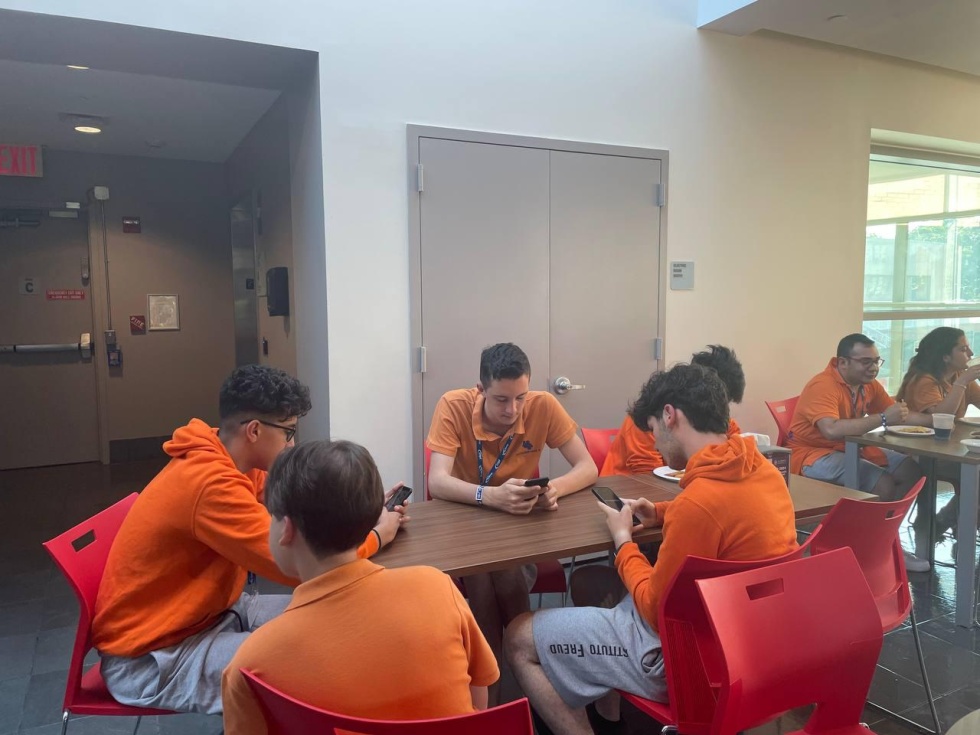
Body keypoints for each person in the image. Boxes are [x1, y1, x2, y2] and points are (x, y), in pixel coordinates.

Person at [92, 365, 406, 714]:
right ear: (255, 431)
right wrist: (376, 537)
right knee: (319, 658)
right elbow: (301, 565)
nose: (292, 444)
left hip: (210, 615)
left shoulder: (232, 458)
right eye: (288, 432)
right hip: (152, 657)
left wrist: (362, 514)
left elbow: (298, 511)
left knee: (340, 619)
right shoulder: (209, 484)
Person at [504, 363, 798, 735]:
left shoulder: (698, 504)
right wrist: (661, 512)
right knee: (592, 586)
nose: (655, 442)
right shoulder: (765, 473)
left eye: (654, 428)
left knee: (518, 636)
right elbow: (725, 514)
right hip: (757, 649)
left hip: (690, 663)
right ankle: (608, 717)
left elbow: (655, 613)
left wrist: (623, 541)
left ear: (670, 415)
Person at [222, 440, 498, 734]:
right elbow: (478, 698)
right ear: (370, 517)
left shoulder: (250, 664)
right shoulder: (437, 586)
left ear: (286, 529)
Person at [426, 342, 598, 699]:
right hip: (465, 523)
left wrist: (554, 490)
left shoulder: (542, 405)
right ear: (481, 390)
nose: (513, 410)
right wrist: (490, 496)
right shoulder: (453, 405)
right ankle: (520, 676)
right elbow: (437, 482)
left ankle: (496, 685)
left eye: (521, 397)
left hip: (519, 525)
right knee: (487, 571)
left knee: (501, 569)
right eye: (502, 399)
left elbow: (588, 467)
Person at [787, 333, 930, 570]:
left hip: (851, 448)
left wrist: (937, 421)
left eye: (876, 361)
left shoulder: (868, 385)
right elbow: (831, 430)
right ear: (843, 362)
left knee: (910, 470)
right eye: (866, 362)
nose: (873, 368)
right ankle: (869, 548)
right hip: (812, 454)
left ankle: (883, 539)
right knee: (883, 484)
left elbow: (899, 415)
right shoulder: (823, 385)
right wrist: (883, 418)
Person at [602, 345, 746, 476]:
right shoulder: (650, 415)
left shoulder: (724, 423)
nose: (718, 409)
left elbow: (735, 457)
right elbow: (646, 471)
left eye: (724, 403)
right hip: (629, 486)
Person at [896, 327, 980, 536]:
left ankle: (949, 519)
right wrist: (962, 383)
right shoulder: (924, 381)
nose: (970, 354)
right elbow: (942, 417)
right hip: (921, 454)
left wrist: (962, 381)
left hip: (950, 450)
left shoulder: (959, 376)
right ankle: (952, 521)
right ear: (945, 356)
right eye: (963, 349)